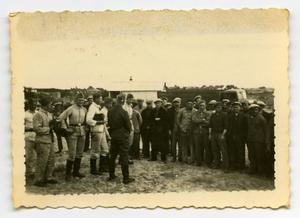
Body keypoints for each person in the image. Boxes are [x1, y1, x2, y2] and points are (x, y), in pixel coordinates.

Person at [58, 93, 87, 181]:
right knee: (72, 153)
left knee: (80, 153)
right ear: (75, 100)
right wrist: (65, 129)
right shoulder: (71, 108)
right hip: (72, 131)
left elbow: (86, 120)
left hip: (82, 131)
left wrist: (86, 127)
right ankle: (68, 174)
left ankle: (76, 172)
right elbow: (60, 118)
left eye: (82, 100)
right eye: (79, 100)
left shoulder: (84, 109)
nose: (81, 102)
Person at [107, 94, 135, 184]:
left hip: (114, 136)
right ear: (123, 101)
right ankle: (126, 178)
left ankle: (111, 175)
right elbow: (129, 126)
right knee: (124, 157)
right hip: (122, 136)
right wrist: (126, 133)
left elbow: (110, 124)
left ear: (117, 100)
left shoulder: (110, 111)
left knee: (112, 156)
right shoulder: (124, 112)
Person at [32, 96, 57, 187]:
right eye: (50, 104)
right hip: (42, 140)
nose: (52, 106)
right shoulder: (38, 114)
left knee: (51, 159)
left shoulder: (49, 114)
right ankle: (38, 179)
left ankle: (48, 177)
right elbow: (37, 129)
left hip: (50, 140)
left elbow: (51, 126)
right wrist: (49, 128)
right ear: (46, 105)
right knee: (42, 160)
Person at [86, 93, 110, 175]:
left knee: (105, 149)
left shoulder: (98, 107)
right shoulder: (92, 108)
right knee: (95, 151)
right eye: (100, 99)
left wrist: (107, 134)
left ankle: (102, 167)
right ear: (95, 99)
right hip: (96, 131)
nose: (101, 100)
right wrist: (99, 122)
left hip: (101, 130)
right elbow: (88, 120)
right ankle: (93, 170)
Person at [246, 104, 270, 175]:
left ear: (258, 110)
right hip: (250, 140)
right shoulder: (249, 118)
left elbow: (266, 130)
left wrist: (266, 141)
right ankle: (253, 169)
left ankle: (260, 170)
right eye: (253, 109)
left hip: (258, 140)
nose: (254, 111)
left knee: (259, 156)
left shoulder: (261, 118)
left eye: (256, 109)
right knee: (251, 155)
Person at [209, 102, 229, 172]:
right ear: (215, 108)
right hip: (214, 134)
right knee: (215, 150)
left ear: (221, 108)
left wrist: (223, 135)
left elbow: (226, 127)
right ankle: (217, 163)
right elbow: (210, 126)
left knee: (223, 151)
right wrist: (210, 134)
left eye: (219, 107)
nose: (218, 108)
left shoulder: (224, 115)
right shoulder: (213, 115)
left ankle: (226, 166)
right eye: (217, 107)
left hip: (221, 134)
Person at [227, 102, 247, 171]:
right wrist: (231, 135)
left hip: (240, 137)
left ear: (240, 108)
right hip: (232, 137)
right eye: (234, 107)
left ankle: (241, 166)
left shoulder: (243, 116)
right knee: (232, 151)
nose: (236, 108)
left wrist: (242, 137)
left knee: (240, 151)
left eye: (237, 107)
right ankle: (233, 165)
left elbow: (245, 128)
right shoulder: (229, 116)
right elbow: (228, 127)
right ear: (232, 108)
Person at [191, 100, 211, 166]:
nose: (201, 107)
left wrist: (201, 122)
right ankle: (199, 161)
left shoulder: (208, 113)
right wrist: (202, 120)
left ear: (205, 106)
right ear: (198, 106)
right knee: (198, 147)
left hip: (205, 132)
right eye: (200, 105)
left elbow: (208, 123)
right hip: (197, 132)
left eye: (203, 105)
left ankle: (208, 161)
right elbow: (194, 120)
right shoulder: (195, 113)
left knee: (206, 147)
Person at [24, 99, 37, 180]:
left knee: (39, 154)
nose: (34, 106)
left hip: (38, 134)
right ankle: (29, 172)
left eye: (35, 104)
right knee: (29, 155)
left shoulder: (37, 113)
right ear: (29, 105)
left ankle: (37, 171)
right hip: (28, 134)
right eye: (32, 104)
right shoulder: (25, 114)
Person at [167, 97, 181, 162]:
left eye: (177, 102)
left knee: (181, 144)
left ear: (180, 103)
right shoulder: (170, 110)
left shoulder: (182, 110)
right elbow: (168, 121)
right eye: (175, 102)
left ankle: (180, 157)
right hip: (173, 129)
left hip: (180, 130)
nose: (176, 104)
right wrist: (169, 129)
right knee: (173, 144)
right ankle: (174, 157)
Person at [123, 93, 134, 164]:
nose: (130, 100)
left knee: (130, 142)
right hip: (126, 125)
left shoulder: (130, 106)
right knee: (125, 143)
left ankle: (126, 157)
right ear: (127, 99)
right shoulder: (124, 107)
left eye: (131, 99)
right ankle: (124, 158)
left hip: (130, 124)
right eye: (129, 99)